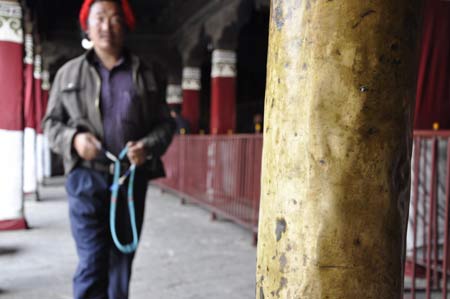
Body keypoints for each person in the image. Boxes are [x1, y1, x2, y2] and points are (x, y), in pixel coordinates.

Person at [43, 0, 175, 298]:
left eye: (115, 19)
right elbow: (50, 124)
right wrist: (74, 140)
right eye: (99, 18)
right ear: (87, 25)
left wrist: (147, 147)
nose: (106, 26)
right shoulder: (68, 74)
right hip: (85, 180)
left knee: (121, 262)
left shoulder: (146, 73)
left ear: (125, 25)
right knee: (92, 260)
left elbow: (166, 125)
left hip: (128, 182)